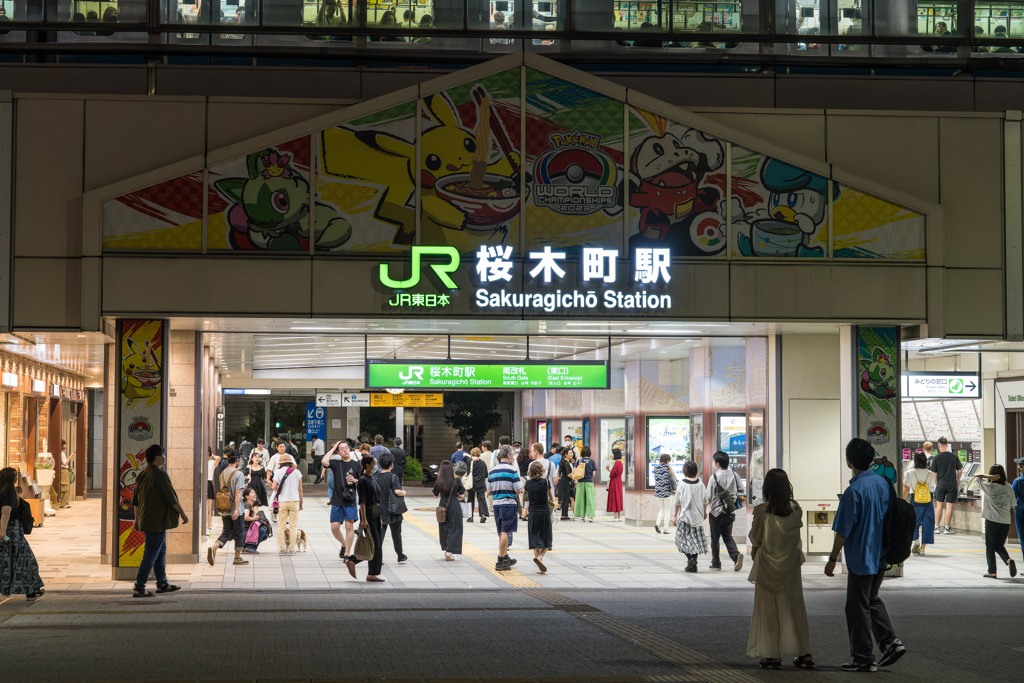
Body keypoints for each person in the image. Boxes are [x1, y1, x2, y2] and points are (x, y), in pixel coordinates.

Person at [825, 438, 905, 673]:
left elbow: (843, 531)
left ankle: (863, 657)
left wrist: (832, 559)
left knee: (857, 607)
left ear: (848, 461)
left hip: (862, 557)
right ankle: (890, 642)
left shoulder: (853, 491)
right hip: (881, 554)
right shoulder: (883, 483)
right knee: (870, 599)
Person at [747, 468, 812, 669]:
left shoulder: (761, 511)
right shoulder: (796, 509)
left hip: (766, 565)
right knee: (794, 608)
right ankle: (804, 654)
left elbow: (755, 540)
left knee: (768, 610)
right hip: (791, 567)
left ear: (767, 487)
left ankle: (772, 655)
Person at [130, 444, 188, 597]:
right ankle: (139, 587)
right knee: (150, 554)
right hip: (156, 522)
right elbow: (172, 498)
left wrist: (137, 520)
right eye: (163, 455)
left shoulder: (142, 474)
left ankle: (162, 583)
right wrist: (183, 514)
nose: (165, 458)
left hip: (147, 519)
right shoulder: (159, 474)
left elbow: (136, 501)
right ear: (157, 458)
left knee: (160, 550)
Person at [0, 468, 44, 600]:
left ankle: (27, 589)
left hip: (8, 532)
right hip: (11, 533)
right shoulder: (9, 492)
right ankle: (32, 590)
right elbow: (6, 511)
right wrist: (3, 533)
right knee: (26, 559)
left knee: (6, 560)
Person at [342, 455, 385, 582]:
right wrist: (364, 520)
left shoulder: (374, 478)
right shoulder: (363, 480)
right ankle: (353, 561)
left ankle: (372, 573)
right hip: (369, 514)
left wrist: (380, 518)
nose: (376, 465)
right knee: (374, 545)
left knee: (377, 545)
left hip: (376, 513)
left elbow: (377, 499)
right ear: (367, 465)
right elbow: (362, 502)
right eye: (374, 463)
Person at [974, 465, 1017, 578]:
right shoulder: (1008, 487)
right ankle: (1008, 561)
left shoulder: (988, 486)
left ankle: (992, 572)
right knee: (999, 545)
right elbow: (1012, 504)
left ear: (991, 475)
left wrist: (989, 477)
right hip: (1005, 522)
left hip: (992, 520)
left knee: (990, 547)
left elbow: (976, 476)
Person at [208, 453, 249, 567]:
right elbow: (238, 492)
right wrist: (237, 509)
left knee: (227, 531)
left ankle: (214, 548)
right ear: (237, 460)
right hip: (236, 509)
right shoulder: (239, 474)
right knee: (239, 533)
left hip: (224, 507)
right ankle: (237, 558)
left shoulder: (222, 473)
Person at [322, 441, 361, 560]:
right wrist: (334, 447)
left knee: (349, 526)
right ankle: (344, 544)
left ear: (350, 449)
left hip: (350, 499)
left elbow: (363, 482)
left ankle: (347, 553)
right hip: (337, 499)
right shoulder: (336, 463)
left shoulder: (357, 465)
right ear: (338, 452)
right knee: (334, 527)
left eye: (346, 448)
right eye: (342, 448)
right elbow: (324, 461)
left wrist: (355, 480)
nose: (345, 450)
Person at [707, 450, 745, 571]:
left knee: (715, 539)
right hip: (729, 511)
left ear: (717, 463)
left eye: (714, 461)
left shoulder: (714, 477)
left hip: (716, 513)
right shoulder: (735, 475)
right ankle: (736, 556)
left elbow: (708, 496)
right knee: (727, 537)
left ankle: (716, 563)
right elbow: (742, 489)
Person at [488, 444, 522, 571]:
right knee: (505, 532)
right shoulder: (512, 470)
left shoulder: (492, 471)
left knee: (501, 531)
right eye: (513, 455)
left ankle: (505, 556)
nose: (514, 457)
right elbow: (518, 490)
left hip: (497, 504)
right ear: (508, 455)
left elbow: (489, 491)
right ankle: (501, 560)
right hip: (508, 504)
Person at [672, 459, 708, 572]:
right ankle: (693, 563)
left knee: (680, 539)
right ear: (695, 471)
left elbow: (677, 501)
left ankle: (690, 559)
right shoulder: (700, 483)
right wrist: (704, 513)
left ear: (685, 471)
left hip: (685, 517)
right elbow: (705, 500)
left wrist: (675, 515)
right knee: (696, 540)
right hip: (697, 517)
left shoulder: (682, 483)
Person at [375, 452, 407, 564]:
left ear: (380, 464)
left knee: (380, 535)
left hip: (380, 511)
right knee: (396, 534)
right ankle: (400, 556)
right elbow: (397, 491)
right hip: (394, 511)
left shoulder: (375, 477)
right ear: (392, 465)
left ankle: (378, 558)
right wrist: (403, 492)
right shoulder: (394, 477)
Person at [903, 450, 935, 556]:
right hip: (928, 500)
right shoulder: (930, 473)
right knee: (928, 523)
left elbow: (907, 488)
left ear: (915, 461)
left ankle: (916, 540)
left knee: (914, 522)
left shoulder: (910, 472)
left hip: (915, 500)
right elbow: (932, 488)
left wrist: (902, 500)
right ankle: (923, 548)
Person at [271, 453, 303, 555]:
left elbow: (274, 487)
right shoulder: (297, 472)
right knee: (293, 526)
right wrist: (301, 501)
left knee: (281, 526)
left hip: (282, 502)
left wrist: (278, 486)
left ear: (280, 463)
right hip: (294, 501)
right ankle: (292, 549)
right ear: (290, 462)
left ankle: (282, 549)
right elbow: (300, 489)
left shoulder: (278, 472)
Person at [433, 460, 465, 561]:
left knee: (444, 527)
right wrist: (456, 494)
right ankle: (449, 551)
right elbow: (462, 495)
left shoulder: (438, 481)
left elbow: (435, 495)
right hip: (454, 506)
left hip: (442, 506)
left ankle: (446, 548)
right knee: (455, 528)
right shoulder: (456, 481)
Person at [929, 436, 961, 534]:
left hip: (941, 484)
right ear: (947, 445)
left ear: (938, 446)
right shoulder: (954, 457)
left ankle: (936, 528)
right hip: (952, 484)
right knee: (949, 506)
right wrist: (958, 480)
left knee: (939, 505)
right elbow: (960, 470)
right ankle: (947, 528)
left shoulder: (936, 458)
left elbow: (934, 473)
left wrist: (936, 483)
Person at [526, 460, 554, 574]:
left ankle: (539, 567)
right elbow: (551, 498)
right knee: (547, 538)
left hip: (533, 513)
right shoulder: (546, 482)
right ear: (542, 471)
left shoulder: (528, 483)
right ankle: (540, 557)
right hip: (544, 513)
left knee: (534, 538)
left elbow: (524, 498)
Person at [653, 454, 676, 533]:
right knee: (667, 510)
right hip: (667, 492)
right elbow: (674, 478)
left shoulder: (655, 468)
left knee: (662, 509)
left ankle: (657, 524)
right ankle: (666, 529)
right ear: (667, 461)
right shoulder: (668, 467)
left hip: (658, 492)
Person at [574, 446, 597, 522]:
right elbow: (594, 474)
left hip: (580, 482)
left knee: (581, 499)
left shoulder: (579, 461)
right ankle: (590, 517)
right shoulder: (592, 461)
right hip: (589, 482)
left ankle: (582, 518)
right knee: (590, 499)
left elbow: (574, 471)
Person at [242, 487, 268, 554]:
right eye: (252, 493)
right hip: (244, 532)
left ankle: (246, 546)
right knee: (262, 531)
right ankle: (250, 547)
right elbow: (245, 517)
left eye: (255, 493)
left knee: (264, 532)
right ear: (247, 496)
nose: (255, 495)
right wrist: (254, 518)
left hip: (244, 532)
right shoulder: (247, 505)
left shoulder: (248, 505)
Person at [467, 448, 489, 522]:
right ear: (480, 454)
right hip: (481, 484)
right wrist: (484, 484)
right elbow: (485, 475)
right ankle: (483, 515)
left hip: (471, 484)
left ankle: (470, 517)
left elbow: (464, 455)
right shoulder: (483, 463)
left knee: (470, 499)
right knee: (481, 499)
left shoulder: (469, 462)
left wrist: (471, 457)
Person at [557, 447, 576, 521]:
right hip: (565, 483)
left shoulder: (564, 462)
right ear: (565, 454)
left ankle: (564, 515)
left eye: (572, 453)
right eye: (570, 453)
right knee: (566, 499)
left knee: (565, 499)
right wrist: (575, 476)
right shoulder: (566, 463)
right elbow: (568, 474)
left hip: (564, 482)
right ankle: (564, 515)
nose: (572, 454)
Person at [205, 446, 220, 537]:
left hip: (208, 483)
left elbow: (218, 458)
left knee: (208, 509)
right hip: (200, 484)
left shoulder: (212, 462)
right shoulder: (200, 462)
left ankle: (208, 528)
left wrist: (211, 455)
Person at [606, 449, 624, 521]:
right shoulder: (620, 463)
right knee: (619, 497)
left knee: (614, 497)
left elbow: (612, 474)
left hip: (614, 482)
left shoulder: (616, 463)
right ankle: (619, 516)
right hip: (619, 481)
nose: (611, 455)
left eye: (612, 454)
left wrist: (608, 470)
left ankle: (615, 517)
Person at [1014, 456, 1024, 559]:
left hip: (1020, 510)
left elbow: (1012, 497)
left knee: (1023, 540)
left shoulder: (1018, 481)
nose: (1018, 467)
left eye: (1020, 465)